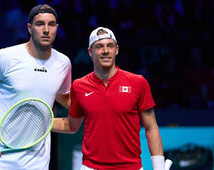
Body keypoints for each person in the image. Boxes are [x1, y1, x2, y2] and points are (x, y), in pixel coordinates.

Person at [0, 4, 71, 170]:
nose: (46, 29)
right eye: (40, 24)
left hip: (37, 166)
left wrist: (95, 106)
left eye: (51, 24)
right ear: (29, 28)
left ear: (57, 28)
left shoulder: (63, 63)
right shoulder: (5, 57)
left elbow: (62, 96)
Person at [52, 27, 166, 170]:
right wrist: (41, 123)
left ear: (116, 50)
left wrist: (159, 167)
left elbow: (151, 128)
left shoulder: (138, 83)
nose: (105, 51)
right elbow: (71, 125)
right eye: (99, 46)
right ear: (90, 52)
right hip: (91, 167)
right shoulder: (79, 86)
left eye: (110, 46)